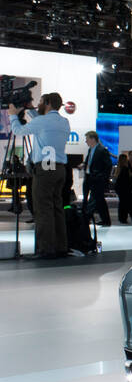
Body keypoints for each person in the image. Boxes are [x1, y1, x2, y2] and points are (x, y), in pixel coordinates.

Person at [7, 92, 71, 258]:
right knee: (57, 208)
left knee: (43, 209)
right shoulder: (64, 122)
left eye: (41, 101)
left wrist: (13, 116)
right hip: (59, 168)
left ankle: (45, 249)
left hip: (45, 167)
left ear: (48, 103)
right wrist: (29, 111)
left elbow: (18, 130)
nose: (38, 104)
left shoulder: (42, 121)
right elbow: (42, 125)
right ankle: (60, 246)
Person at [82, 130, 112, 227]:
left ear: (92, 139)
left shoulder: (102, 150)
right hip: (88, 178)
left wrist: (101, 177)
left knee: (94, 199)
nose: (86, 141)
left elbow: (108, 165)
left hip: (97, 180)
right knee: (99, 201)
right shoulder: (90, 150)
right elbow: (89, 163)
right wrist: (84, 165)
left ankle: (86, 218)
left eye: (87, 139)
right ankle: (106, 220)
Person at [113, 153, 132, 223]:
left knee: (123, 204)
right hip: (125, 189)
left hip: (121, 189)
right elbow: (126, 179)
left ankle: (123, 218)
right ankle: (125, 218)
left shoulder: (119, 168)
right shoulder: (124, 168)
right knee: (126, 204)